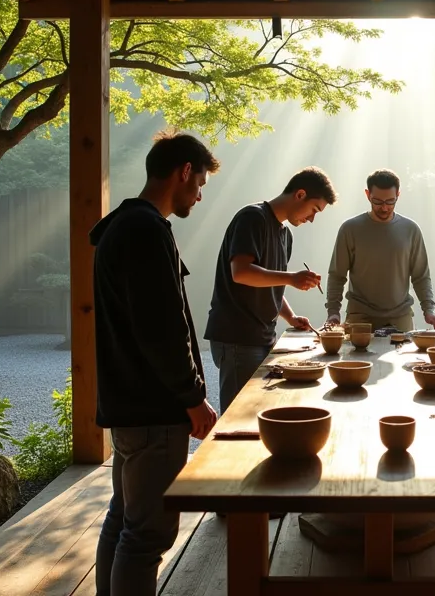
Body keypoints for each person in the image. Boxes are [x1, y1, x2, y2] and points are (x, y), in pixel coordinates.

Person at [92, 130, 220, 596]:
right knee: (147, 536)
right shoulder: (145, 231)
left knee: (124, 521)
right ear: (183, 172)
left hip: (128, 406)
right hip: (153, 410)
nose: (200, 195)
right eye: (200, 183)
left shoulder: (123, 226)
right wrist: (193, 398)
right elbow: (162, 331)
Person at [205, 167, 337, 413]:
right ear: (300, 194)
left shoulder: (285, 234)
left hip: (262, 337)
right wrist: (291, 278)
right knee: (237, 420)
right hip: (237, 338)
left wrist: (290, 316)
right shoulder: (252, 218)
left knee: (259, 413)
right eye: (314, 210)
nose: (311, 219)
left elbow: (269, 282)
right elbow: (241, 272)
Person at [325, 169, 435, 332]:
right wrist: (333, 312)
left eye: (390, 201)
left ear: (398, 196)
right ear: (367, 195)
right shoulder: (350, 229)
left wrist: (429, 310)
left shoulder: (410, 229)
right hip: (360, 318)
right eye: (378, 202)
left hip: (400, 317)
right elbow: (337, 275)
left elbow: (421, 276)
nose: (385, 208)